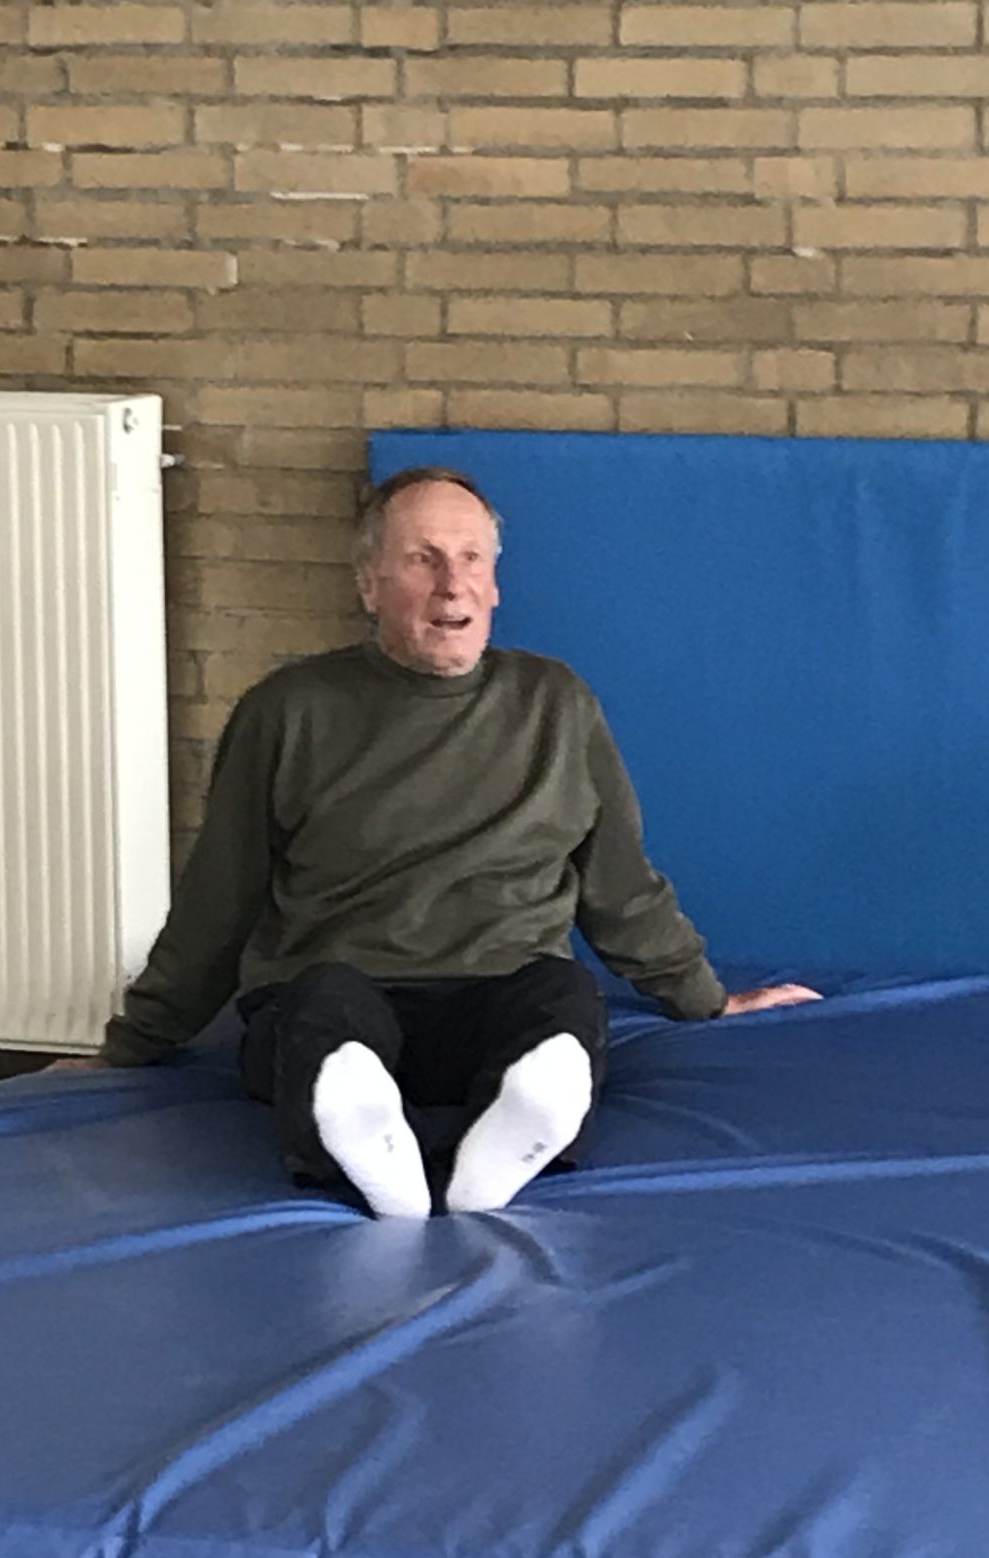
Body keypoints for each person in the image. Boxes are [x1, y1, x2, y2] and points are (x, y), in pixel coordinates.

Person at [96, 466, 818, 1216]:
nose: (453, 585)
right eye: (423, 559)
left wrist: (706, 1000)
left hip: (499, 988)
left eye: (472, 558)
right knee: (320, 1012)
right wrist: (132, 1044)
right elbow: (218, 900)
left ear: (495, 584)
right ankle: (365, 1142)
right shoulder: (287, 711)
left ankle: (503, 1149)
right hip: (344, 987)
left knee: (562, 1000)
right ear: (369, 584)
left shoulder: (554, 703)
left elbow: (620, 885)